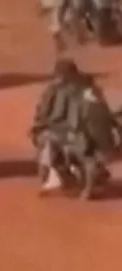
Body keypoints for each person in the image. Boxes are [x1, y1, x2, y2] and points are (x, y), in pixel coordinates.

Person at [31, 58, 87, 192]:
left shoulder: (53, 90)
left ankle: (56, 175)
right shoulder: (86, 87)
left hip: (63, 132)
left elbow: (43, 114)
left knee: (45, 140)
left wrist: (39, 125)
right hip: (82, 132)